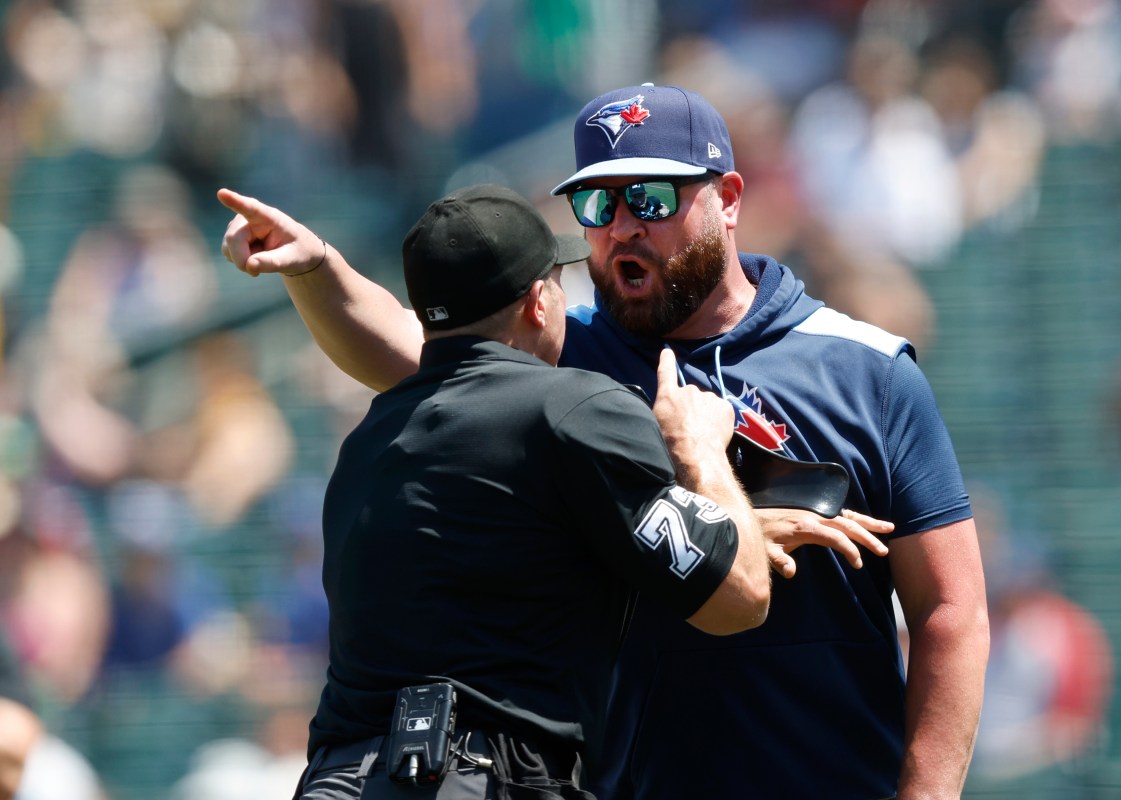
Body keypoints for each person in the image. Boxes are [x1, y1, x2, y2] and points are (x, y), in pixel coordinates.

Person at [219, 83, 987, 799]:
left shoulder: (864, 368)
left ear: (727, 199)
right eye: (596, 202)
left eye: (651, 198)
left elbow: (949, 611)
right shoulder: (559, 362)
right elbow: (406, 344)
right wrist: (318, 267)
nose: (622, 225)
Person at [261, 182, 783, 799]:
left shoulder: (369, 441)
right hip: (481, 779)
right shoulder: (573, 407)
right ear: (540, 301)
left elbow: (515, 561)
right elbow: (740, 595)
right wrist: (700, 455)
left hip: (338, 780)